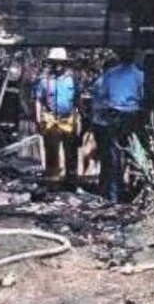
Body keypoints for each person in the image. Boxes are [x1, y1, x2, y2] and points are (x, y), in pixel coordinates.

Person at [91, 47, 145, 202]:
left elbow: (104, 96)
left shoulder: (110, 74)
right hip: (132, 115)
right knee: (134, 154)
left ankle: (115, 195)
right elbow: (143, 95)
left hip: (115, 114)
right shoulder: (139, 75)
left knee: (115, 155)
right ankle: (134, 193)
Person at [33, 47, 80, 187]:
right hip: (51, 120)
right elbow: (38, 100)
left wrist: (80, 117)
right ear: (51, 63)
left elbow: (78, 99)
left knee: (71, 152)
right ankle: (52, 183)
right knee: (52, 152)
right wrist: (38, 119)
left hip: (69, 120)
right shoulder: (44, 80)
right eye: (55, 62)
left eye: (61, 62)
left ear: (65, 63)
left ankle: (71, 182)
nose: (58, 65)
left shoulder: (73, 80)